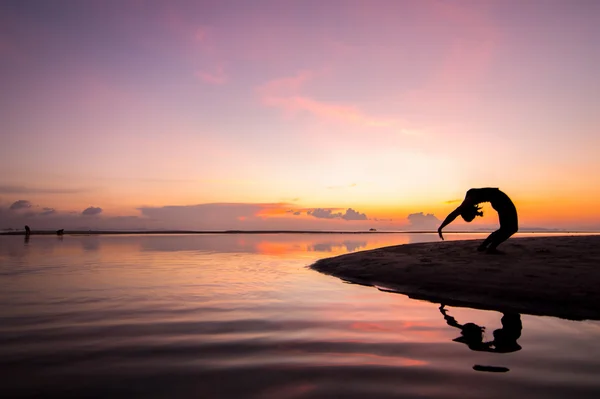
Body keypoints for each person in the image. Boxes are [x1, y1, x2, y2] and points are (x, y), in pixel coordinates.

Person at [438, 188, 518, 253]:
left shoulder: (466, 203)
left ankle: (485, 247)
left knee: (508, 228)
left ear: (468, 212)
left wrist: (441, 227)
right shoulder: (468, 202)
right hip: (500, 200)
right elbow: (454, 214)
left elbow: (453, 215)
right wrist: (441, 227)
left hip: (501, 200)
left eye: (472, 217)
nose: (474, 216)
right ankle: (490, 248)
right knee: (511, 228)